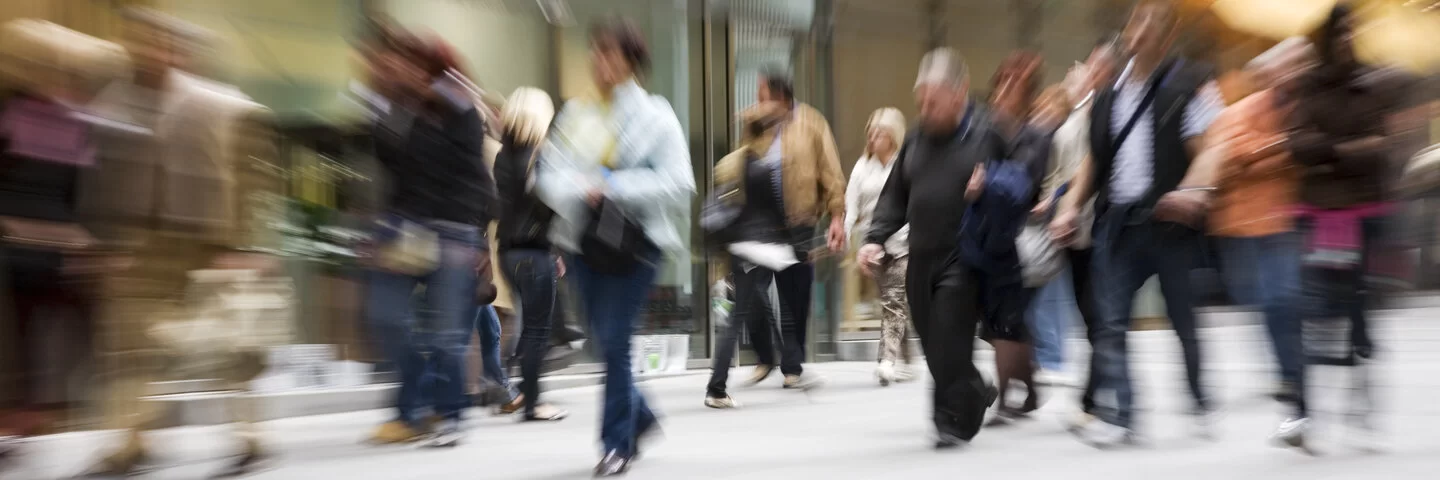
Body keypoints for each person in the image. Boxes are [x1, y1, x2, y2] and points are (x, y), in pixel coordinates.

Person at [80, 8, 286, 476]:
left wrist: (247, 246)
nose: (151, 51)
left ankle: (250, 436)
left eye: (161, 42)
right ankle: (132, 442)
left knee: (229, 347)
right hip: (140, 246)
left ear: (184, 52)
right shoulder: (113, 105)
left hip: (210, 244)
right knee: (128, 347)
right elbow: (99, 180)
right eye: (141, 41)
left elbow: (257, 182)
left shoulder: (225, 106)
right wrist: (104, 243)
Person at [1050, 0, 1226, 447]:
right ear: (1127, 31)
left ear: (1167, 37)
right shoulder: (1108, 96)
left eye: (1153, 23)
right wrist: (1070, 206)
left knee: (1183, 319)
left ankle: (1199, 399)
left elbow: (1208, 149)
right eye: (1137, 20)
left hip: (1169, 223)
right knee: (1109, 320)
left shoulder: (1187, 83)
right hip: (1120, 224)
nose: (1142, 29)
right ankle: (1122, 413)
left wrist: (1191, 191)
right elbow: (1092, 162)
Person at [534, 19, 694, 476]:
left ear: (631, 61)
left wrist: (612, 185)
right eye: (596, 51)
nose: (600, 61)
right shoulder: (577, 114)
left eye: (610, 53)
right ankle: (640, 417)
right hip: (584, 245)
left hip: (637, 246)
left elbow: (679, 183)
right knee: (604, 342)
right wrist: (576, 187)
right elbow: (548, 176)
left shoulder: (655, 115)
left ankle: (616, 443)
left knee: (616, 341)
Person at [858, 47, 1002, 449]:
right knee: (930, 337)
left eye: (933, 101)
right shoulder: (917, 139)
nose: (925, 108)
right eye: (920, 100)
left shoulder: (986, 133)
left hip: (964, 255)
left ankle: (952, 419)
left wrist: (989, 189)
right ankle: (974, 388)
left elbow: (1016, 185)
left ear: (960, 93)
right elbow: (895, 196)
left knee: (950, 334)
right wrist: (874, 239)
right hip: (922, 256)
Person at [1287, 4, 1415, 449]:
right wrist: (1347, 150)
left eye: (1351, 30)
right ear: (1326, 38)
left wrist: (1332, 153)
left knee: (1362, 318)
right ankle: (1303, 414)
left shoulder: (1370, 81)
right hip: (1321, 216)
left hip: (1368, 215)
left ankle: (1361, 410)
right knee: (1316, 314)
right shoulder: (1309, 83)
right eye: (1338, 31)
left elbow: (1383, 147)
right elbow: (1298, 144)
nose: (1345, 38)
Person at [362, 32, 496, 448]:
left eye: (414, 64)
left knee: (446, 334)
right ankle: (421, 398)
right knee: (384, 316)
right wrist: (381, 100)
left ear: (433, 68)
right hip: (405, 229)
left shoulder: (457, 105)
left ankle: (446, 415)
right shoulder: (396, 108)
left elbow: (471, 174)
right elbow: (387, 161)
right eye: (399, 63)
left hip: (453, 231)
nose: (403, 70)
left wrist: (478, 237)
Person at [1207, 38, 1316, 447]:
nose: (1292, 72)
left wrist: (1272, 154)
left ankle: (1298, 392)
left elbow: (1315, 148)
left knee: (1285, 303)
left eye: (1300, 63)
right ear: (1269, 73)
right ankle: (1292, 384)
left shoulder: (1315, 104)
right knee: (1271, 307)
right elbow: (1236, 154)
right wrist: (1284, 149)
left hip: (1301, 219)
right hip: (1254, 225)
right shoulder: (1245, 110)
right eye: (1285, 65)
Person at [727, 67, 847, 390]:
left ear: (780, 97)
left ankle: (792, 366)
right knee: (750, 290)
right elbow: (740, 169)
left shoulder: (812, 122)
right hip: (761, 225)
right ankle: (765, 355)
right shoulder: (756, 127)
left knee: (795, 295)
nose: (757, 100)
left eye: (762, 94)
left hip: (799, 221)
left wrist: (837, 216)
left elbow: (831, 172)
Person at [1035, 39, 1121, 427]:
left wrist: (1064, 199)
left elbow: (1094, 167)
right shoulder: (1073, 118)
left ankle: (1094, 399)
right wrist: (1050, 200)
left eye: (1085, 69)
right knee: (1092, 318)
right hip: (1071, 228)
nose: (1078, 72)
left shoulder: (1104, 111)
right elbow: (1057, 171)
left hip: (1095, 221)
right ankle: (1107, 392)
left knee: (1100, 316)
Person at [982, 50, 1050, 423]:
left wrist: (986, 181)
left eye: (1015, 85)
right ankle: (1032, 389)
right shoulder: (985, 129)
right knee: (1008, 324)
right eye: (1002, 82)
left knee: (1006, 321)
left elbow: (1021, 184)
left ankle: (1006, 398)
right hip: (985, 240)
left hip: (1021, 242)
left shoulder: (1036, 137)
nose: (1005, 90)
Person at [493, 86, 568, 421]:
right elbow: (549, 206)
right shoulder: (541, 155)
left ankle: (525, 391)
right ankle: (534, 403)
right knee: (538, 330)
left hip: (508, 252)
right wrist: (556, 248)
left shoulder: (501, 155)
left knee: (529, 328)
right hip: (535, 252)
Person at [844, 108, 913, 386]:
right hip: (872, 245)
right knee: (892, 302)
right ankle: (907, 358)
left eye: (880, 132)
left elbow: (911, 203)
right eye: (870, 132)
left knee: (894, 300)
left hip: (902, 242)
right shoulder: (863, 166)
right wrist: (845, 233)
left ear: (893, 136)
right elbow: (852, 205)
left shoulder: (904, 164)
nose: (873, 137)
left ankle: (887, 361)